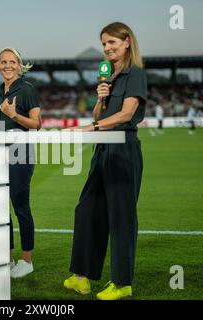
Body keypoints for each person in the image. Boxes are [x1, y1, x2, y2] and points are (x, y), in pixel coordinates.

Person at [62, 22, 146, 300]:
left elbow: (126, 115)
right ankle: (82, 278)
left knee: (121, 217)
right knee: (86, 210)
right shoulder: (108, 78)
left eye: (112, 42)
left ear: (126, 43)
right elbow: (99, 116)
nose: (107, 48)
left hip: (123, 149)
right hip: (103, 149)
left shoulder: (135, 74)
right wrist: (100, 97)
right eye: (104, 44)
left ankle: (122, 284)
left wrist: (90, 129)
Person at [0, 47, 41, 278]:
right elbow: (0, 125)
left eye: (12, 62)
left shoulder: (27, 89)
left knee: (20, 205)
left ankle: (26, 261)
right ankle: (7, 258)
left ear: (19, 64)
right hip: (0, 153)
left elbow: (37, 124)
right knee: (0, 207)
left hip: (21, 153)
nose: (7, 66)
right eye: (3, 62)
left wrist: (14, 115)